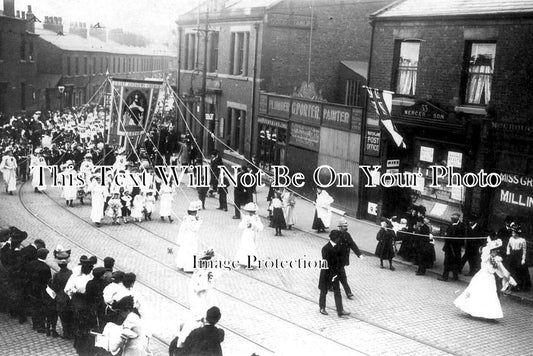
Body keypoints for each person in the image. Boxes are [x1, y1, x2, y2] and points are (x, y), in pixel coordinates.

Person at [454, 239, 513, 320]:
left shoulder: (497, 259)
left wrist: (506, 277)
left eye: (496, 251)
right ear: (490, 251)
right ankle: (472, 310)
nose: (495, 253)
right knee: (477, 292)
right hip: (482, 276)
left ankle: (489, 314)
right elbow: (486, 262)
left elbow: (500, 270)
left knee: (490, 294)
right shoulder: (486, 257)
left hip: (490, 278)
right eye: (493, 251)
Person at [318, 230, 350, 318]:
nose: (340, 240)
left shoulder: (339, 246)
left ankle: (340, 310)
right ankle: (322, 307)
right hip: (327, 273)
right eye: (339, 238)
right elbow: (328, 263)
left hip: (336, 273)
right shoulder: (325, 248)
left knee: (337, 291)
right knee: (324, 290)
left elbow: (341, 259)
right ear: (335, 239)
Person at [50, 246, 74, 339]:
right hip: (70, 298)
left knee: (63, 317)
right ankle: (71, 332)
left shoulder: (57, 275)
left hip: (61, 298)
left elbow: (54, 287)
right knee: (70, 316)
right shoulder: (71, 273)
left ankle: (66, 333)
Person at [336, 218, 363, 299]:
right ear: (340, 227)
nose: (346, 228)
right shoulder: (335, 235)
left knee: (335, 274)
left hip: (343, 259)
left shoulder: (347, 235)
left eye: (346, 226)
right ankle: (348, 292)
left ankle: (330, 286)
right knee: (343, 277)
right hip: (336, 260)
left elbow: (352, 244)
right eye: (344, 226)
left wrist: (359, 254)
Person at [188, 249, 218, 319]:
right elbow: (195, 284)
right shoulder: (199, 272)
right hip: (198, 294)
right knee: (198, 310)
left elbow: (209, 283)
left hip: (204, 294)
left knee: (203, 308)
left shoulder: (209, 272)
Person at [176, 201, 203, 273]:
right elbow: (194, 229)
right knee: (191, 252)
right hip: (191, 238)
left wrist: (180, 238)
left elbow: (181, 229)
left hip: (186, 238)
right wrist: (199, 222)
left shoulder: (187, 218)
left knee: (184, 250)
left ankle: (181, 264)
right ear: (194, 212)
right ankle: (189, 267)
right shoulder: (192, 220)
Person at [235, 203, 263, 268]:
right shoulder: (246, 217)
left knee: (251, 247)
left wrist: (253, 225)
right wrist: (245, 223)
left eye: (252, 212)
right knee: (244, 246)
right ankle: (243, 261)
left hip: (252, 234)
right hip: (246, 234)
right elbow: (240, 226)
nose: (251, 214)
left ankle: (251, 262)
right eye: (250, 212)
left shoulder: (256, 218)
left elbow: (260, 227)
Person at [439, 213, 465, 282]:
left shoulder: (461, 226)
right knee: (447, 262)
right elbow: (447, 233)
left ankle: (455, 277)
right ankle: (445, 277)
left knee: (455, 262)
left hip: (455, 248)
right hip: (448, 247)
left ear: (457, 219)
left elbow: (461, 238)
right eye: (452, 219)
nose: (452, 220)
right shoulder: (450, 224)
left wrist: (451, 239)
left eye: (453, 219)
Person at [506, 222, 531, 292]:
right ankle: (514, 286)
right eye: (512, 232)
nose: (512, 234)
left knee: (520, 271)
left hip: (519, 256)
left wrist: (523, 259)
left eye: (513, 232)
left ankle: (522, 286)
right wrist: (508, 252)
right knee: (513, 270)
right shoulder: (511, 239)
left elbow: (524, 250)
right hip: (513, 255)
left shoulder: (522, 240)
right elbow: (508, 246)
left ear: (517, 233)